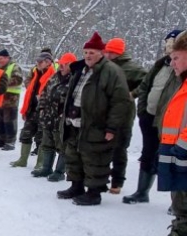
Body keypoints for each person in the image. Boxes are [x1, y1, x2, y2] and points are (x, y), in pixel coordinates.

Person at [57, 32, 130, 206]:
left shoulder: (111, 72)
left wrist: (112, 128)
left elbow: (119, 102)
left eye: (92, 52)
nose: (88, 56)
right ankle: (77, 186)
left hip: (96, 124)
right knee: (74, 155)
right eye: (86, 52)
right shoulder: (81, 70)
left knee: (95, 158)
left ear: (101, 53)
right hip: (75, 121)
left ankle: (94, 193)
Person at [124, 29, 184, 204]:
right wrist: (140, 105)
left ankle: (177, 203)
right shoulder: (161, 64)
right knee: (148, 153)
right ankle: (142, 192)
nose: (169, 46)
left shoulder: (181, 67)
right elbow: (145, 85)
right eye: (167, 43)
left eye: (173, 43)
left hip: (171, 120)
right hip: (150, 117)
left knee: (173, 158)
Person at [150, 31, 187, 236]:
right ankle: (178, 234)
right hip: (176, 150)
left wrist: (181, 147)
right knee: (179, 196)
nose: (171, 62)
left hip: (183, 151)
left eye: (176, 57)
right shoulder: (183, 81)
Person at [102, 38, 146, 194]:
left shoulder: (132, 68)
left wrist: (133, 94)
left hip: (124, 114)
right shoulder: (105, 66)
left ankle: (117, 182)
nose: (107, 54)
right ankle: (102, 178)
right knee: (102, 147)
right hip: (106, 113)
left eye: (109, 51)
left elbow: (147, 81)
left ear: (117, 52)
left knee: (119, 149)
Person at [33, 52, 77, 179]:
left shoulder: (74, 80)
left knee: (62, 146)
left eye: (65, 64)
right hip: (48, 117)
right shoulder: (54, 77)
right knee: (47, 143)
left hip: (62, 120)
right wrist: (41, 108)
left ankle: (59, 172)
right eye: (61, 64)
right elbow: (45, 93)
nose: (61, 66)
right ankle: (46, 168)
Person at [11, 52, 56, 168]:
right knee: (26, 134)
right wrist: (26, 109)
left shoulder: (53, 75)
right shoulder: (36, 73)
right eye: (37, 61)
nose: (37, 63)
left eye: (40, 61)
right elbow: (29, 93)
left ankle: (40, 163)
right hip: (32, 110)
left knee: (41, 138)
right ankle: (22, 160)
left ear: (48, 62)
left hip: (44, 111)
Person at [0, 49, 23, 151]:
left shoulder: (14, 67)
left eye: (1, 59)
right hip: (1, 99)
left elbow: (18, 80)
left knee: (10, 121)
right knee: (1, 121)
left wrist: (2, 83)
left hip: (11, 98)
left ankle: (11, 141)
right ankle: (2, 139)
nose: (0, 61)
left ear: (7, 58)